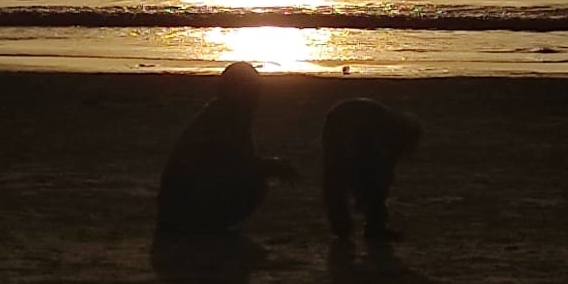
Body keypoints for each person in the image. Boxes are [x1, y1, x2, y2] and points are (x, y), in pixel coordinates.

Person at [156, 62, 296, 236]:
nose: (256, 99)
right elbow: (235, 165)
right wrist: (272, 166)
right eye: (253, 92)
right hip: (184, 205)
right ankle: (204, 226)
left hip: (179, 203)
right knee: (254, 183)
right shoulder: (223, 119)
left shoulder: (222, 115)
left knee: (253, 179)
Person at [322, 98, 420, 242]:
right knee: (337, 175)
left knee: (345, 176)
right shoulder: (375, 131)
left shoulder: (390, 133)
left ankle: (364, 227)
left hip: (352, 125)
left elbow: (383, 168)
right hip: (343, 124)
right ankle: (345, 227)